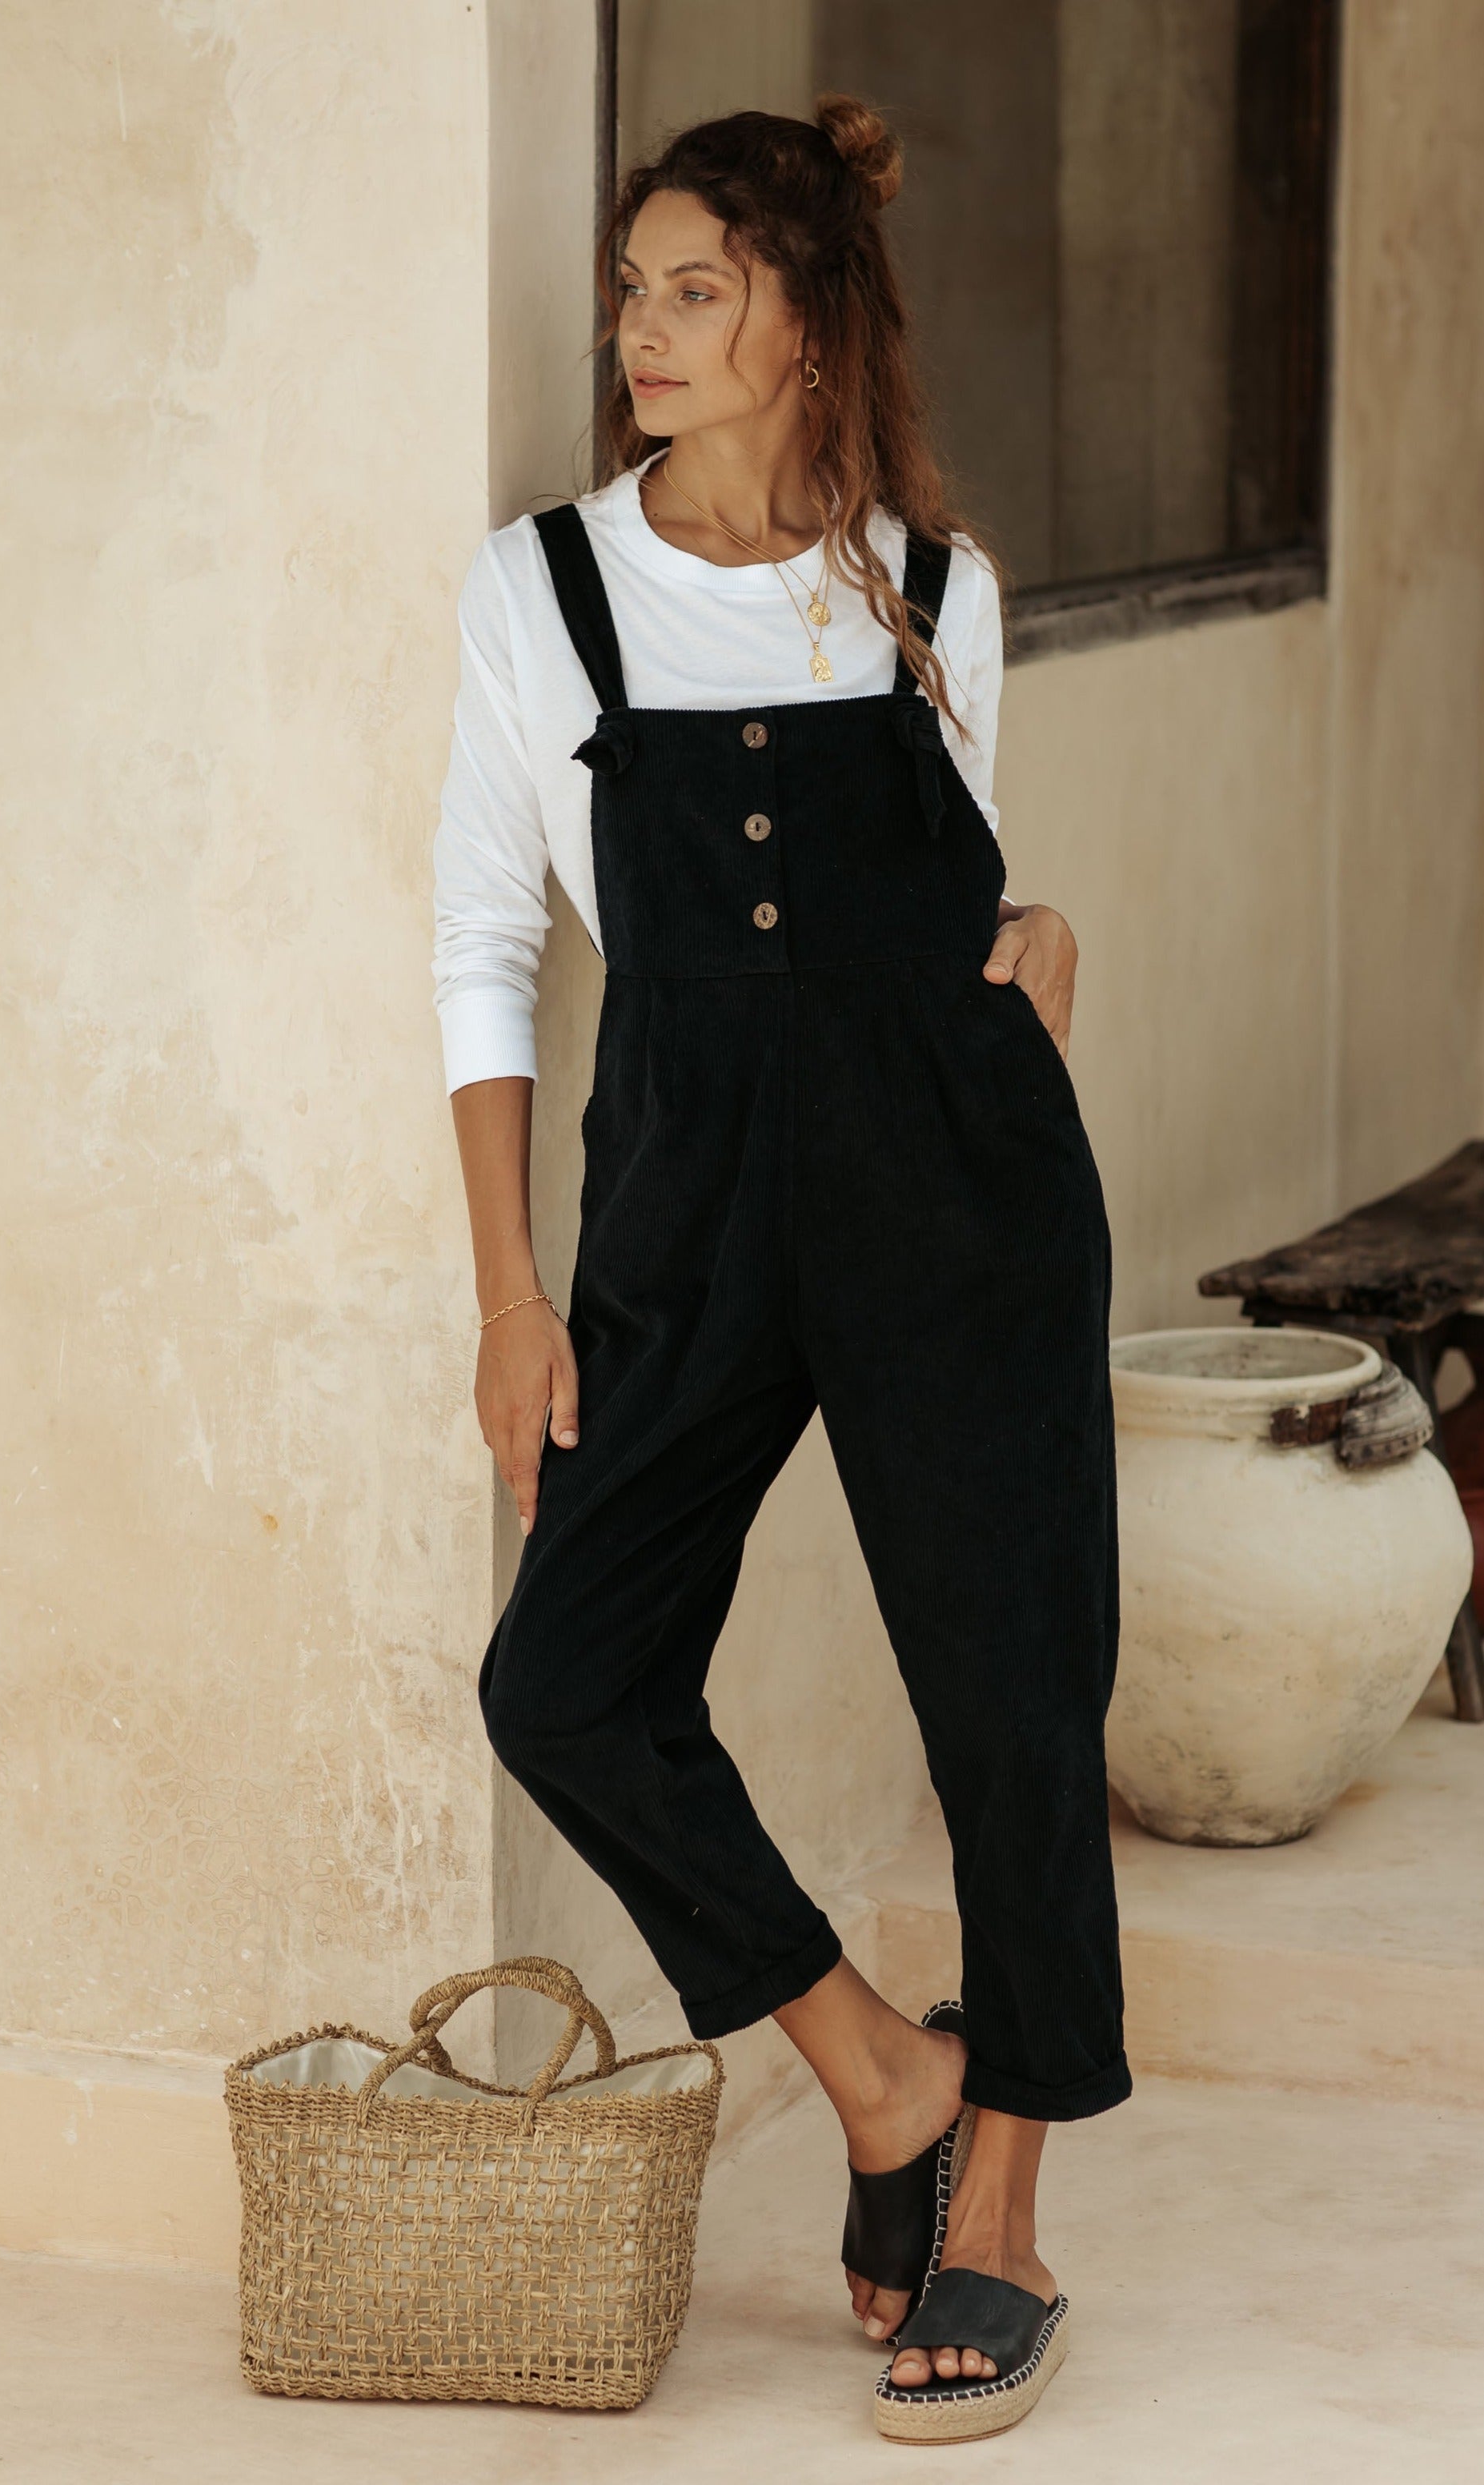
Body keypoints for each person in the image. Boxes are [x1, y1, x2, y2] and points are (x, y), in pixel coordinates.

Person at [432, 97, 1128, 2445]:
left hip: (954, 1189)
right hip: (684, 1204)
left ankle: (1005, 2202)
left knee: (1011, 1694)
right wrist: (511, 1292)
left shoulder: (933, 585)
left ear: (807, 322)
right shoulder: (539, 587)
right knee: (568, 1680)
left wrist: (1034, 935)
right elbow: (484, 945)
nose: (639, 331)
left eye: (693, 289)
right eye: (629, 292)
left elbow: (967, 891)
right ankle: (881, 2077)